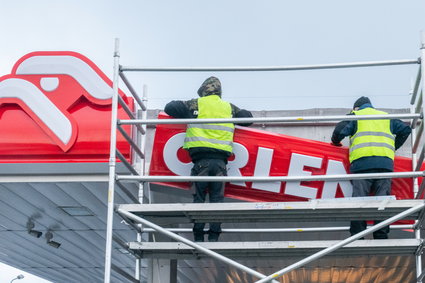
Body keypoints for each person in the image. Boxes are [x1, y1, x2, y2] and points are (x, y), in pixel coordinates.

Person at [164, 76, 253, 242]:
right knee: (217, 200)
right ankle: (213, 237)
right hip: (220, 164)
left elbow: (170, 107)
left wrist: (189, 112)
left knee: (199, 199)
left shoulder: (195, 104)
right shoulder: (229, 108)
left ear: (203, 90)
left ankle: (198, 237)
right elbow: (248, 117)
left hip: (201, 162)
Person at [331, 96, 411, 239]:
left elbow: (339, 130)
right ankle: (381, 235)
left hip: (362, 165)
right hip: (385, 165)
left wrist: (335, 142)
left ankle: (358, 235)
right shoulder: (386, 117)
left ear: (356, 108)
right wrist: (393, 147)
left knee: (359, 201)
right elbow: (406, 129)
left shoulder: (356, 116)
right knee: (383, 201)